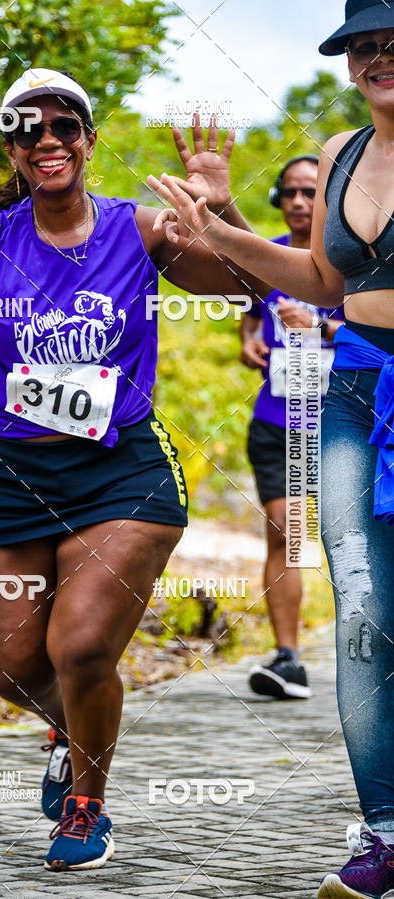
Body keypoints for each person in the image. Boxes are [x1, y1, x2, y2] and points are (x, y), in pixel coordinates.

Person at [0, 69, 268, 872]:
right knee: (12, 666)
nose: (48, 139)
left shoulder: (140, 231)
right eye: (28, 129)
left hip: (122, 476)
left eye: (64, 126)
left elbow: (252, 281)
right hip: (13, 475)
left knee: (78, 649)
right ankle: (72, 727)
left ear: (88, 141)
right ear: (12, 149)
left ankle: (85, 800)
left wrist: (221, 214)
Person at [148, 1, 394, 894]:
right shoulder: (340, 155)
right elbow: (324, 280)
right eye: (363, 45)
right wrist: (220, 229)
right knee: (363, 615)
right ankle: (386, 831)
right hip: (354, 387)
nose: (378, 57)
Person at [242, 155, 344, 701]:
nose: (301, 202)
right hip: (282, 420)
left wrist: (322, 325)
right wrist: (249, 341)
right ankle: (288, 659)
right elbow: (250, 317)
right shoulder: (268, 257)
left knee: (347, 543)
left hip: (346, 423)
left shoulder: (355, 257)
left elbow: (379, 331)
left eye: (312, 192)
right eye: (291, 193)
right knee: (289, 533)